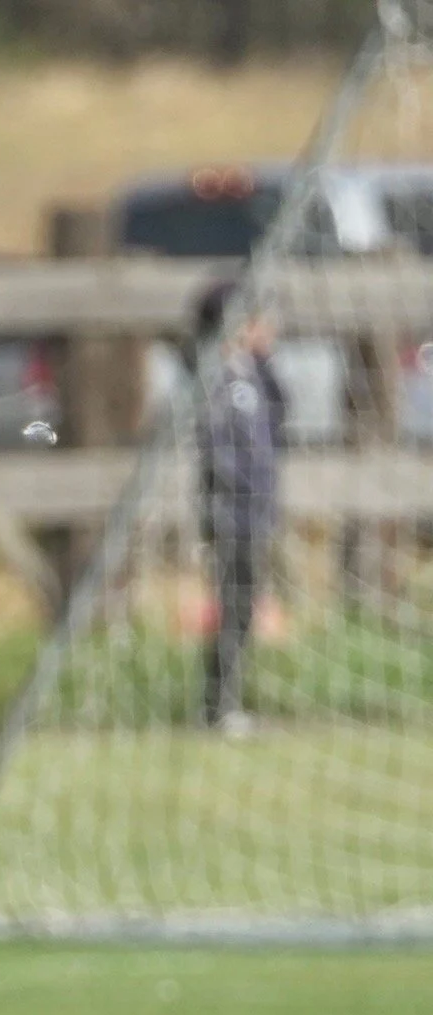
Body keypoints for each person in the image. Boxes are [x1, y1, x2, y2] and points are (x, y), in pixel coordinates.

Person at [195, 280, 285, 736]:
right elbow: (220, 450)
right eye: (257, 318)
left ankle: (229, 702)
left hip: (257, 511)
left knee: (246, 606)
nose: (268, 327)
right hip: (232, 512)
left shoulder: (255, 375)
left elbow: (279, 419)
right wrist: (237, 494)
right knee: (232, 605)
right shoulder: (218, 380)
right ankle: (220, 705)